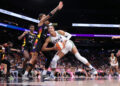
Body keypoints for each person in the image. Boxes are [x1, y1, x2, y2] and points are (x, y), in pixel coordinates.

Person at [22, 1, 63, 80]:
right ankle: (25, 74)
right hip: (37, 41)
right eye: (44, 16)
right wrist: (57, 8)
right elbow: (50, 15)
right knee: (34, 58)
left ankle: (44, 72)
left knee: (50, 56)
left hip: (43, 42)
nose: (46, 17)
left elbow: (52, 20)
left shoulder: (47, 26)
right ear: (41, 18)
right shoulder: (40, 23)